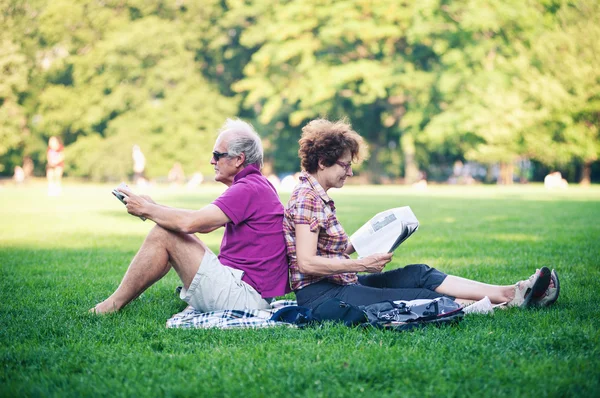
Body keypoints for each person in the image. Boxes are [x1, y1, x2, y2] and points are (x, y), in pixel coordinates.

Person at [283, 119, 560, 311]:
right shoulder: (307, 199)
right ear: (322, 162)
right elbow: (307, 264)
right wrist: (362, 265)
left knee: (420, 274)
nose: (350, 172)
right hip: (324, 297)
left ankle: (509, 292)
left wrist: (380, 230)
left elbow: (332, 249)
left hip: (340, 284)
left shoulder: (316, 196)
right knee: (423, 299)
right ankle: (511, 299)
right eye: (345, 165)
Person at [91, 119, 290, 314]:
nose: (212, 161)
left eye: (217, 155)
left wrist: (146, 209)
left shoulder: (248, 189)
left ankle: (112, 305)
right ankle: (120, 301)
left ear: (239, 159)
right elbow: (199, 223)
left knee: (164, 233)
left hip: (244, 297)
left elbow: (192, 223)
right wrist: (154, 206)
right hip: (249, 293)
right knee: (170, 229)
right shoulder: (256, 185)